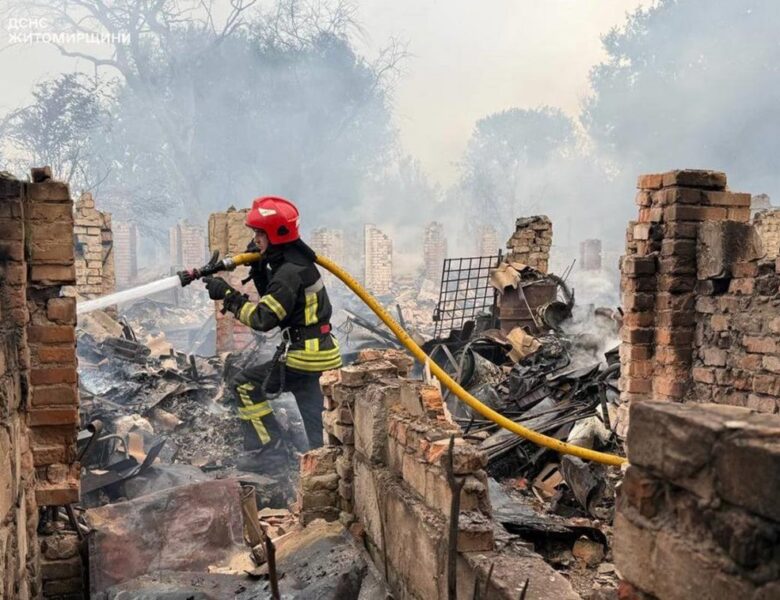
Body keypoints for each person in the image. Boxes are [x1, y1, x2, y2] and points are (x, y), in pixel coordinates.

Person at [203, 196, 342, 453]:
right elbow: (279, 301)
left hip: (305, 359)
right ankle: (322, 461)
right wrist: (258, 271)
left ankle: (267, 449)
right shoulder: (296, 263)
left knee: (244, 384)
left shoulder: (288, 273)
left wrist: (228, 296)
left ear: (275, 236)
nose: (255, 239)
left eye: (259, 233)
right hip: (321, 355)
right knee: (317, 429)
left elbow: (263, 319)